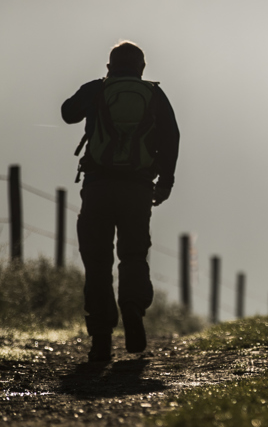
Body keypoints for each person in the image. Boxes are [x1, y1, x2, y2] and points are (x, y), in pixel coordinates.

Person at [61, 41, 179, 362]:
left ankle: (101, 340)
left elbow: (67, 113)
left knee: (97, 261)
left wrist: (97, 90)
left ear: (110, 66)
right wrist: (165, 183)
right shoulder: (154, 95)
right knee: (133, 253)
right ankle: (132, 306)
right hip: (138, 189)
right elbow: (171, 138)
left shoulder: (98, 89)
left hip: (98, 185)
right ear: (142, 68)